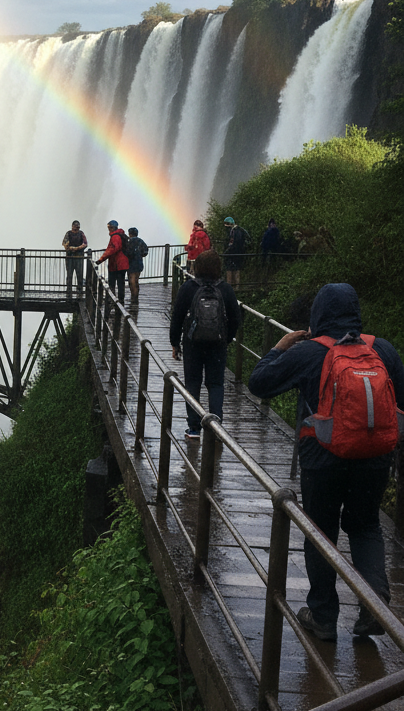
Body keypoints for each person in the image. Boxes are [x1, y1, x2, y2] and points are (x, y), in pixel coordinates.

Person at [248, 284, 404, 641]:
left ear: (319, 313)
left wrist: (278, 348)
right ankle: (374, 602)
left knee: (321, 531)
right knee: (365, 526)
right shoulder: (383, 350)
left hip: (323, 457)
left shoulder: (309, 352)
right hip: (375, 456)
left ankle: (322, 616)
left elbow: (259, 383)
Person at [169, 249, 240, 441]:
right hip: (218, 344)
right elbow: (236, 318)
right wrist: (227, 338)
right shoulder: (225, 289)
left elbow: (177, 317)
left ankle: (194, 429)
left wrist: (175, 343)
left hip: (192, 343)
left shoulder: (188, 288)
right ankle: (216, 429)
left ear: (197, 267)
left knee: (193, 383)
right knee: (215, 384)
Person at [96, 220, 129, 304]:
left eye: (109, 227)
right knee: (121, 282)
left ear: (112, 227)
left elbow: (114, 249)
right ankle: (120, 300)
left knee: (113, 282)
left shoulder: (115, 237)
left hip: (117, 264)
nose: (108, 229)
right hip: (123, 263)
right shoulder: (121, 235)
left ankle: (112, 299)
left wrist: (101, 259)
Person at [223, 216, 249, 289]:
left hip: (231, 255)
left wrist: (225, 253)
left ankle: (229, 289)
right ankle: (237, 288)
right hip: (239, 254)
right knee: (237, 271)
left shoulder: (232, 232)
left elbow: (231, 244)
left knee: (229, 271)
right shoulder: (241, 230)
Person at [62, 220, 87, 294]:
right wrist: (69, 247)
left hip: (79, 257)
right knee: (69, 274)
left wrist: (77, 248)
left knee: (79, 274)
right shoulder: (68, 233)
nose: (76, 229)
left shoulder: (81, 234)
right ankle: (69, 289)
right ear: (72, 226)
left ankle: (79, 289)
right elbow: (64, 243)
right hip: (70, 257)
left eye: (77, 227)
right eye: (75, 227)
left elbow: (85, 243)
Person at [126, 226, 148, 302]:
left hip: (131, 264)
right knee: (136, 280)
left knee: (131, 281)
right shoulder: (141, 241)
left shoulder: (129, 241)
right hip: (139, 263)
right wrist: (139, 255)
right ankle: (135, 296)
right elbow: (145, 252)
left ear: (130, 234)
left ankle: (134, 297)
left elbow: (126, 252)